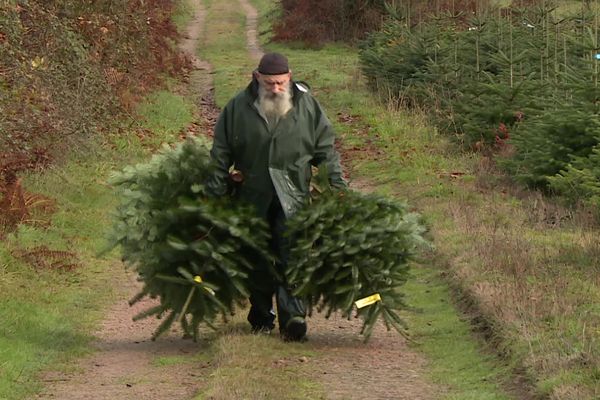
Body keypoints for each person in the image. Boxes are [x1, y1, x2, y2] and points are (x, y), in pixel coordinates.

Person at [206, 52, 346, 341]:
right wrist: (216, 190)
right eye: (270, 83)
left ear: (289, 77)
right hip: (252, 196)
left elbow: (326, 150)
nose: (276, 89)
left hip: (293, 196)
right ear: (257, 78)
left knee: (292, 253)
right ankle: (260, 315)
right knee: (256, 257)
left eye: (281, 83)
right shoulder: (237, 108)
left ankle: (293, 316)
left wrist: (337, 186)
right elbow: (220, 152)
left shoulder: (307, 106)